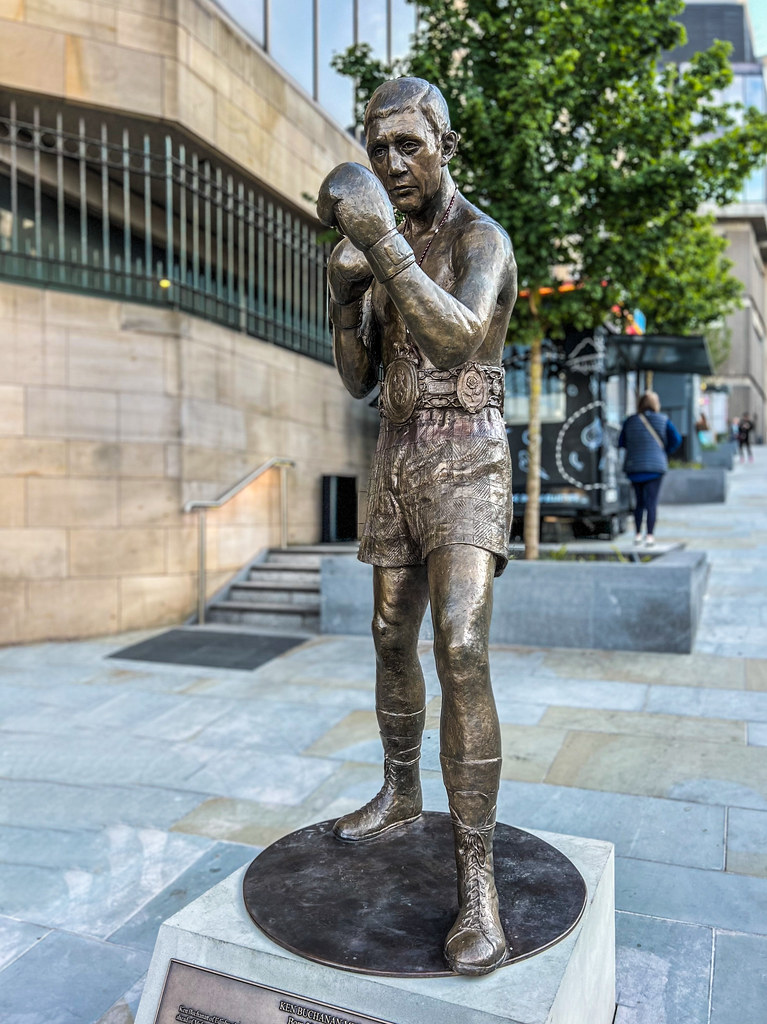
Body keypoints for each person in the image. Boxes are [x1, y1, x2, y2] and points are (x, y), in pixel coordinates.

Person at [317, 77, 516, 976]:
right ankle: (400, 794)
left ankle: (476, 882)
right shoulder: (386, 237)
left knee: (461, 644)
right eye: (377, 147)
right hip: (399, 454)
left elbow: (458, 338)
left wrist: (382, 247)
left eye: (408, 144)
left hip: (468, 455)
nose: (391, 164)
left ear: (446, 144)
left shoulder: (481, 239)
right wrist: (339, 298)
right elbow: (359, 378)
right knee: (388, 632)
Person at [618, 391, 681, 546]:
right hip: (655, 468)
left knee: (639, 502)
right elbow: (677, 440)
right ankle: (650, 536)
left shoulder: (630, 421)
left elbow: (621, 442)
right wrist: (664, 451)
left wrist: (635, 448)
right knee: (651, 502)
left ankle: (638, 534)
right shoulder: (663, 420)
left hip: (635, 466)